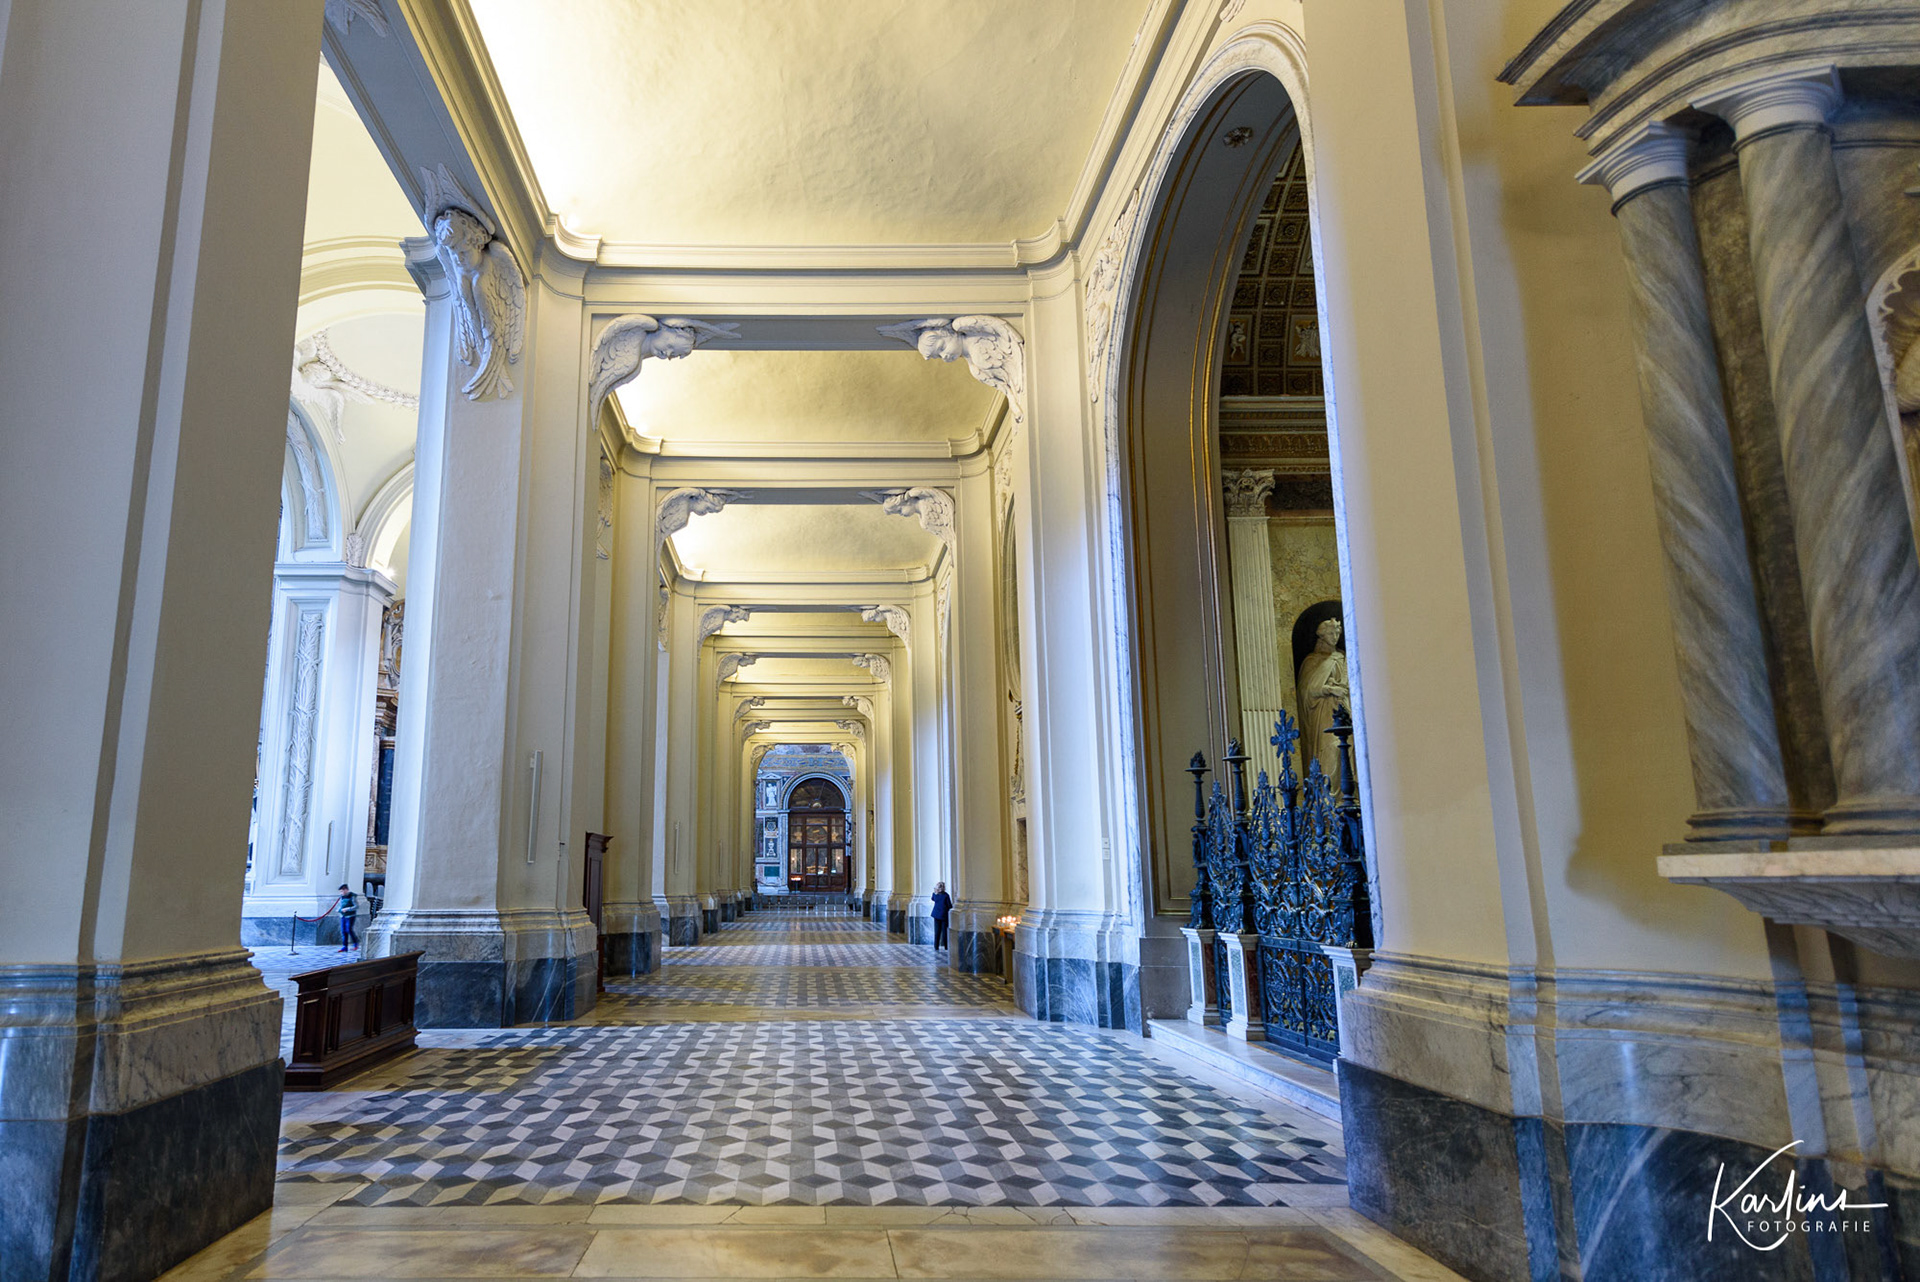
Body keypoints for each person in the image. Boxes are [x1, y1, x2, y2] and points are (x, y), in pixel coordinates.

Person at [336, 883, 360, 954]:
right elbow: (339, 906)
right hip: (343, 916)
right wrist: (339, 910)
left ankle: (355, 942)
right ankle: (345, 946)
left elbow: (356, 906)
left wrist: (348, 909)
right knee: (343, 931)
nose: (341, 893)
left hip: (350, 916)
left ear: (346, 890)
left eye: (342, 891)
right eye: (340, 891)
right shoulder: (341, 897)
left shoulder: (352, 896)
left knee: (349, 929)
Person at [930, 882, 952, 951]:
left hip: (936, 915)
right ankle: (946, 946)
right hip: (944, 915)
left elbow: (932, 898)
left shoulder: (935, 895)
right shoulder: (946, 895)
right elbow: (949, 905)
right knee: (944, 931)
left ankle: (936, 946)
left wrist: (935, 891)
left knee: (937, 931)